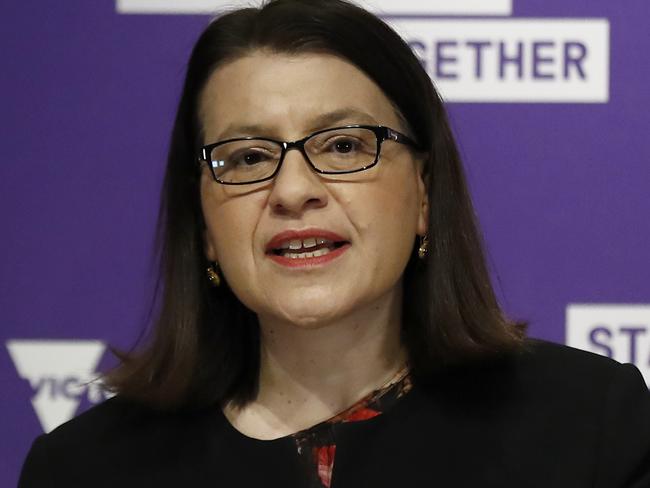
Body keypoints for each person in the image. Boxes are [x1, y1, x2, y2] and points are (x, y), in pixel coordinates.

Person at [18, 0, 650, 486]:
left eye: (343, 145)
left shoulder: (589, 427)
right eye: (246, 157)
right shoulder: (82, 469)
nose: (293, 190)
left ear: (424, 193)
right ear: (205, 226)